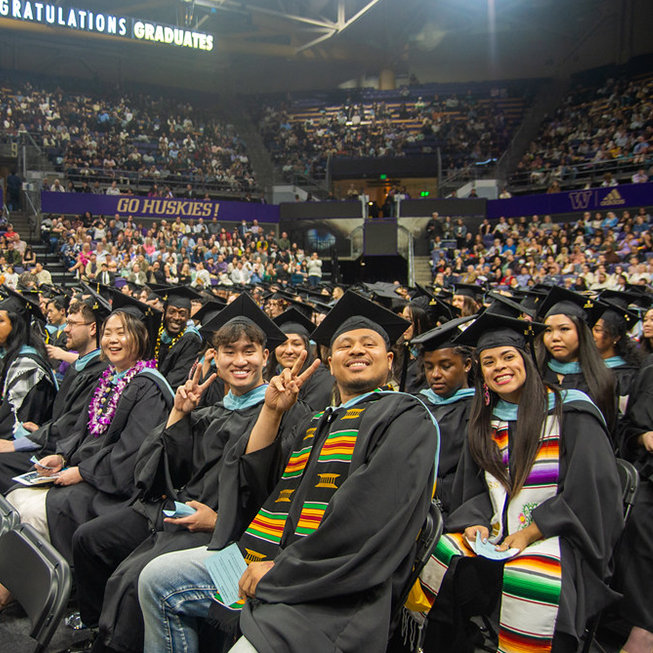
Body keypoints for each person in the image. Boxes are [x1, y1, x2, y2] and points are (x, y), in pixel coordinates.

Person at [137, 290, 439, 653]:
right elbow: (259, 484)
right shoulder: (318, 422)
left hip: (332, 591)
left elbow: (365, 518)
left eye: (368, 344)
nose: (356, 350)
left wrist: (281, 569)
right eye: (345, 345)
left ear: (389, 361)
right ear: (328, 359)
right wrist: (272, 411)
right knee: (156, 579)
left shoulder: (406, 417)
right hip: (273, 556)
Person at [71, 294, 302, 653]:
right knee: (93, 539)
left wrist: (220, 520)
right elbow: (165, 467)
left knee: (134, 579)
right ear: (216, 357)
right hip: (179, 515)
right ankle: (100, 632)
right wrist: (179, 412)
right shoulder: (212, 411)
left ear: (265, 357)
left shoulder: (286, 412)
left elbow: (274, 491)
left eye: (248, 351)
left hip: (232, 535)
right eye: (229, 352)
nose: (239, 361)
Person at [414, 313, 623, 653]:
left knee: (530, 576)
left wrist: (531, 531)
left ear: (526, 358)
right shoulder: (485, 420)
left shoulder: (571, 413)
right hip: (499, 535)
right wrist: (476, 523)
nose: (500, 367)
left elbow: (592, 492)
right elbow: (477, 489)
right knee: (441, 556)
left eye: (508, 357)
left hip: (564, 539)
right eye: (489, 361)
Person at [6, 298, 174, 565]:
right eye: (108, 332)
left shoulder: (149, 388)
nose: (113, 340)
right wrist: (61, 457)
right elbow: (81, 431)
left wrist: (82, 472)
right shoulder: (109, 378)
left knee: (30, 510)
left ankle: (35, 589)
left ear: (141, 338)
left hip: (113, 489)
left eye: (122, 333)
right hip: (87, 474)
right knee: (14, 496)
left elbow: (130, 455)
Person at [0, 293, 109, 492]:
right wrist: (41, 428)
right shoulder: (81, 367)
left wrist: (20, 443)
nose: (65, 329)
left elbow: (71, 427)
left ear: (93, 328)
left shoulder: (99, 374)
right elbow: (63, 418)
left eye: (72, 324)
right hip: (52, 443)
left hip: (62, 454)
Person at [411, 316, 475, 517]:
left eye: (445, 366)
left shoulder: (478, 409)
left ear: (466, 365)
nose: (435, 374)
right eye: (429, 367)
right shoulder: (416, 404)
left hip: (457, 511)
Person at [537, 287, 617, 434]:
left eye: (564, 329)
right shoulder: (534, 374)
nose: (555, 337)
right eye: (548, 330)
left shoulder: (601, 379)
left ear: (582, 332)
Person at [614, 355, 653, 653]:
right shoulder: (649, 372)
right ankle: (643, 626)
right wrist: (643, 437)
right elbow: (625, 428)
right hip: (647, 474)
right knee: (639, 516)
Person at [0, 288, 57, 441]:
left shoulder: (28, 368)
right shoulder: (11, 356)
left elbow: (18, 423)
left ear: (17, 325)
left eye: (1, 321)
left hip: (25, 444)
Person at [268, 307, 334, 412]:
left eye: (296, 344)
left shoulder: (323, 379)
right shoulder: (267, 374)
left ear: (307, 347)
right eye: (282, 344)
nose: (289, 350)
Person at [151, 286, 203, 388]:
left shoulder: (191, 339)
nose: (176, 317)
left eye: (182, 313)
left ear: (188, 317)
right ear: (164, 312)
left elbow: (177, 377)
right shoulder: (156, 332)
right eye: (171, 311)